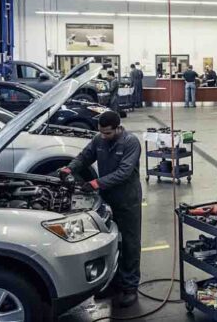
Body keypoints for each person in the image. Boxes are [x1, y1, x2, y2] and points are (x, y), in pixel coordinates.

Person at [58, 111, 143, 307]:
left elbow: (124, 172)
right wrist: (69, 168)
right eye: (101, 132)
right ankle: (114, 283)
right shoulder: (99, 139)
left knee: (130, 243)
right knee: (112, 241)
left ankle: (130, 287)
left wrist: (96, 183)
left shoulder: (131, 143)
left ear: (118, 128)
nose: (103, 136)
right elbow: (85, 156)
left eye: (107, 133)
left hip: (127, 199)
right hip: (107, 199)